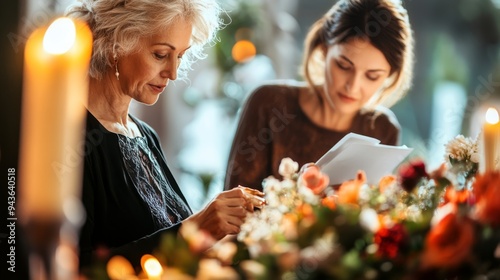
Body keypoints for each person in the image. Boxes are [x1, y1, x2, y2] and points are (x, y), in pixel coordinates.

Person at [65, 0, 263, 271]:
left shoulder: (145, 136)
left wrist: (223, 228)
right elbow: (75, 270)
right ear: (115, 45)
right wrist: (196, 226)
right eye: (160, 55)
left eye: (180, 55)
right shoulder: (71, 141)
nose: (173, 73)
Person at [224, 0, 414, 192]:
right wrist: (298, 196)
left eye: (372, 76)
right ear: (324, 49)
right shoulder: (269, 103)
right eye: (343, 65)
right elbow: (233, 208)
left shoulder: (382, 128)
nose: (353, 86)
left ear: (389, 76)